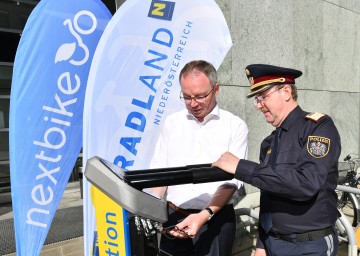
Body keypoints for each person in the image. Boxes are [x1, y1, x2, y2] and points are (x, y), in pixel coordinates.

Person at [211, 64, 341, 256]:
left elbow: (306, 184)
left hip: (310, 246)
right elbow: (270, 197)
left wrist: (241, 167)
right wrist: (263, 244)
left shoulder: (318, 127)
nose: (258, 105)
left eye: (263, 97)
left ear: (286, 91)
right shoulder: (269, 143)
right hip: (273, 244)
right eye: (256, 99)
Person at [150, 60, 249, 256]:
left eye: (200, 96)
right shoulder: (172, 123)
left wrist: (203, 216)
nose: (193, 103)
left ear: (216, 89)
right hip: (173, 218)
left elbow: (232, 183)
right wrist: (151, 209)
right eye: (186, 97)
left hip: (216, 220)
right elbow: (160, 171)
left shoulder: (235, 126)